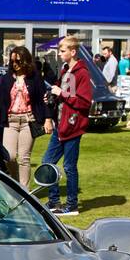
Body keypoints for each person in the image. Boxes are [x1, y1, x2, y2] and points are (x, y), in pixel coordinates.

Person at [40, 35, 91, 216]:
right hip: (60, 126)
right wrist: (52, 96)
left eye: (62, 51)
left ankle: (72, 205)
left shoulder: (82, 73)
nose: (60, 54)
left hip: (73, 127)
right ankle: (54, 201)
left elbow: (85, 103)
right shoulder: (64, 70)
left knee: (69, 167)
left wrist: (62, 93)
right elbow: (62, 97)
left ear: (73, 52)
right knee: (47, 162)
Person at [0, 46, 52, 188]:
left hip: (28, 121)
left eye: (18, 61)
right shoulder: (7, 78)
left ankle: (24, 191)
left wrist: (48, 119)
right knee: (8, 156)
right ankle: (16, 183)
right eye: (12, 61)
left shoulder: (34, 77)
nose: (14, 64)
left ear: (25, 61)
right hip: (10, 121)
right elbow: (1, 102)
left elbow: (43, 99)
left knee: (24, 158)